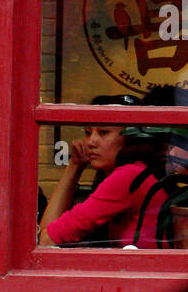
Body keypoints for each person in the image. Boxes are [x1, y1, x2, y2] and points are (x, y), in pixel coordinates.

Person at [38, 98, 169, 249]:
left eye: (104, 132)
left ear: (130, 138)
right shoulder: (134, 171)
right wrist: (74, 165)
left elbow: (46, 240)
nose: (91, 142)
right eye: (88, 132)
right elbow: (44, 237)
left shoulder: (129, 175)